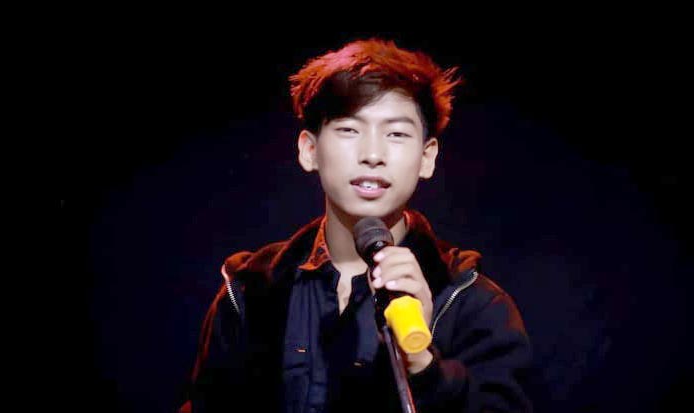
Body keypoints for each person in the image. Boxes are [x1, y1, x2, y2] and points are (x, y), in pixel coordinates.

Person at [178, 38, 533, 413]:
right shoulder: (250, 293)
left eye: (396, 133)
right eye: (349, 129)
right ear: (309, 150)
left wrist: (423, 365)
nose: (372, 155)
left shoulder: (473, 302)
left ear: (427, 157)